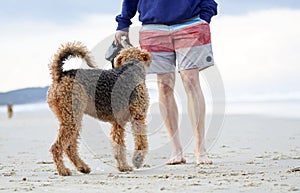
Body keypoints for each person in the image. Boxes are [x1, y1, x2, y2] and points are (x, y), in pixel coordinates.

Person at [115, 0, 218, 165]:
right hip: (152, 27)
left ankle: (200, 148)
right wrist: (123, 23)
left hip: (190, 24)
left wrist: (206, 16)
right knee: (164, 85)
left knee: (191, 80)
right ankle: (176, 150)